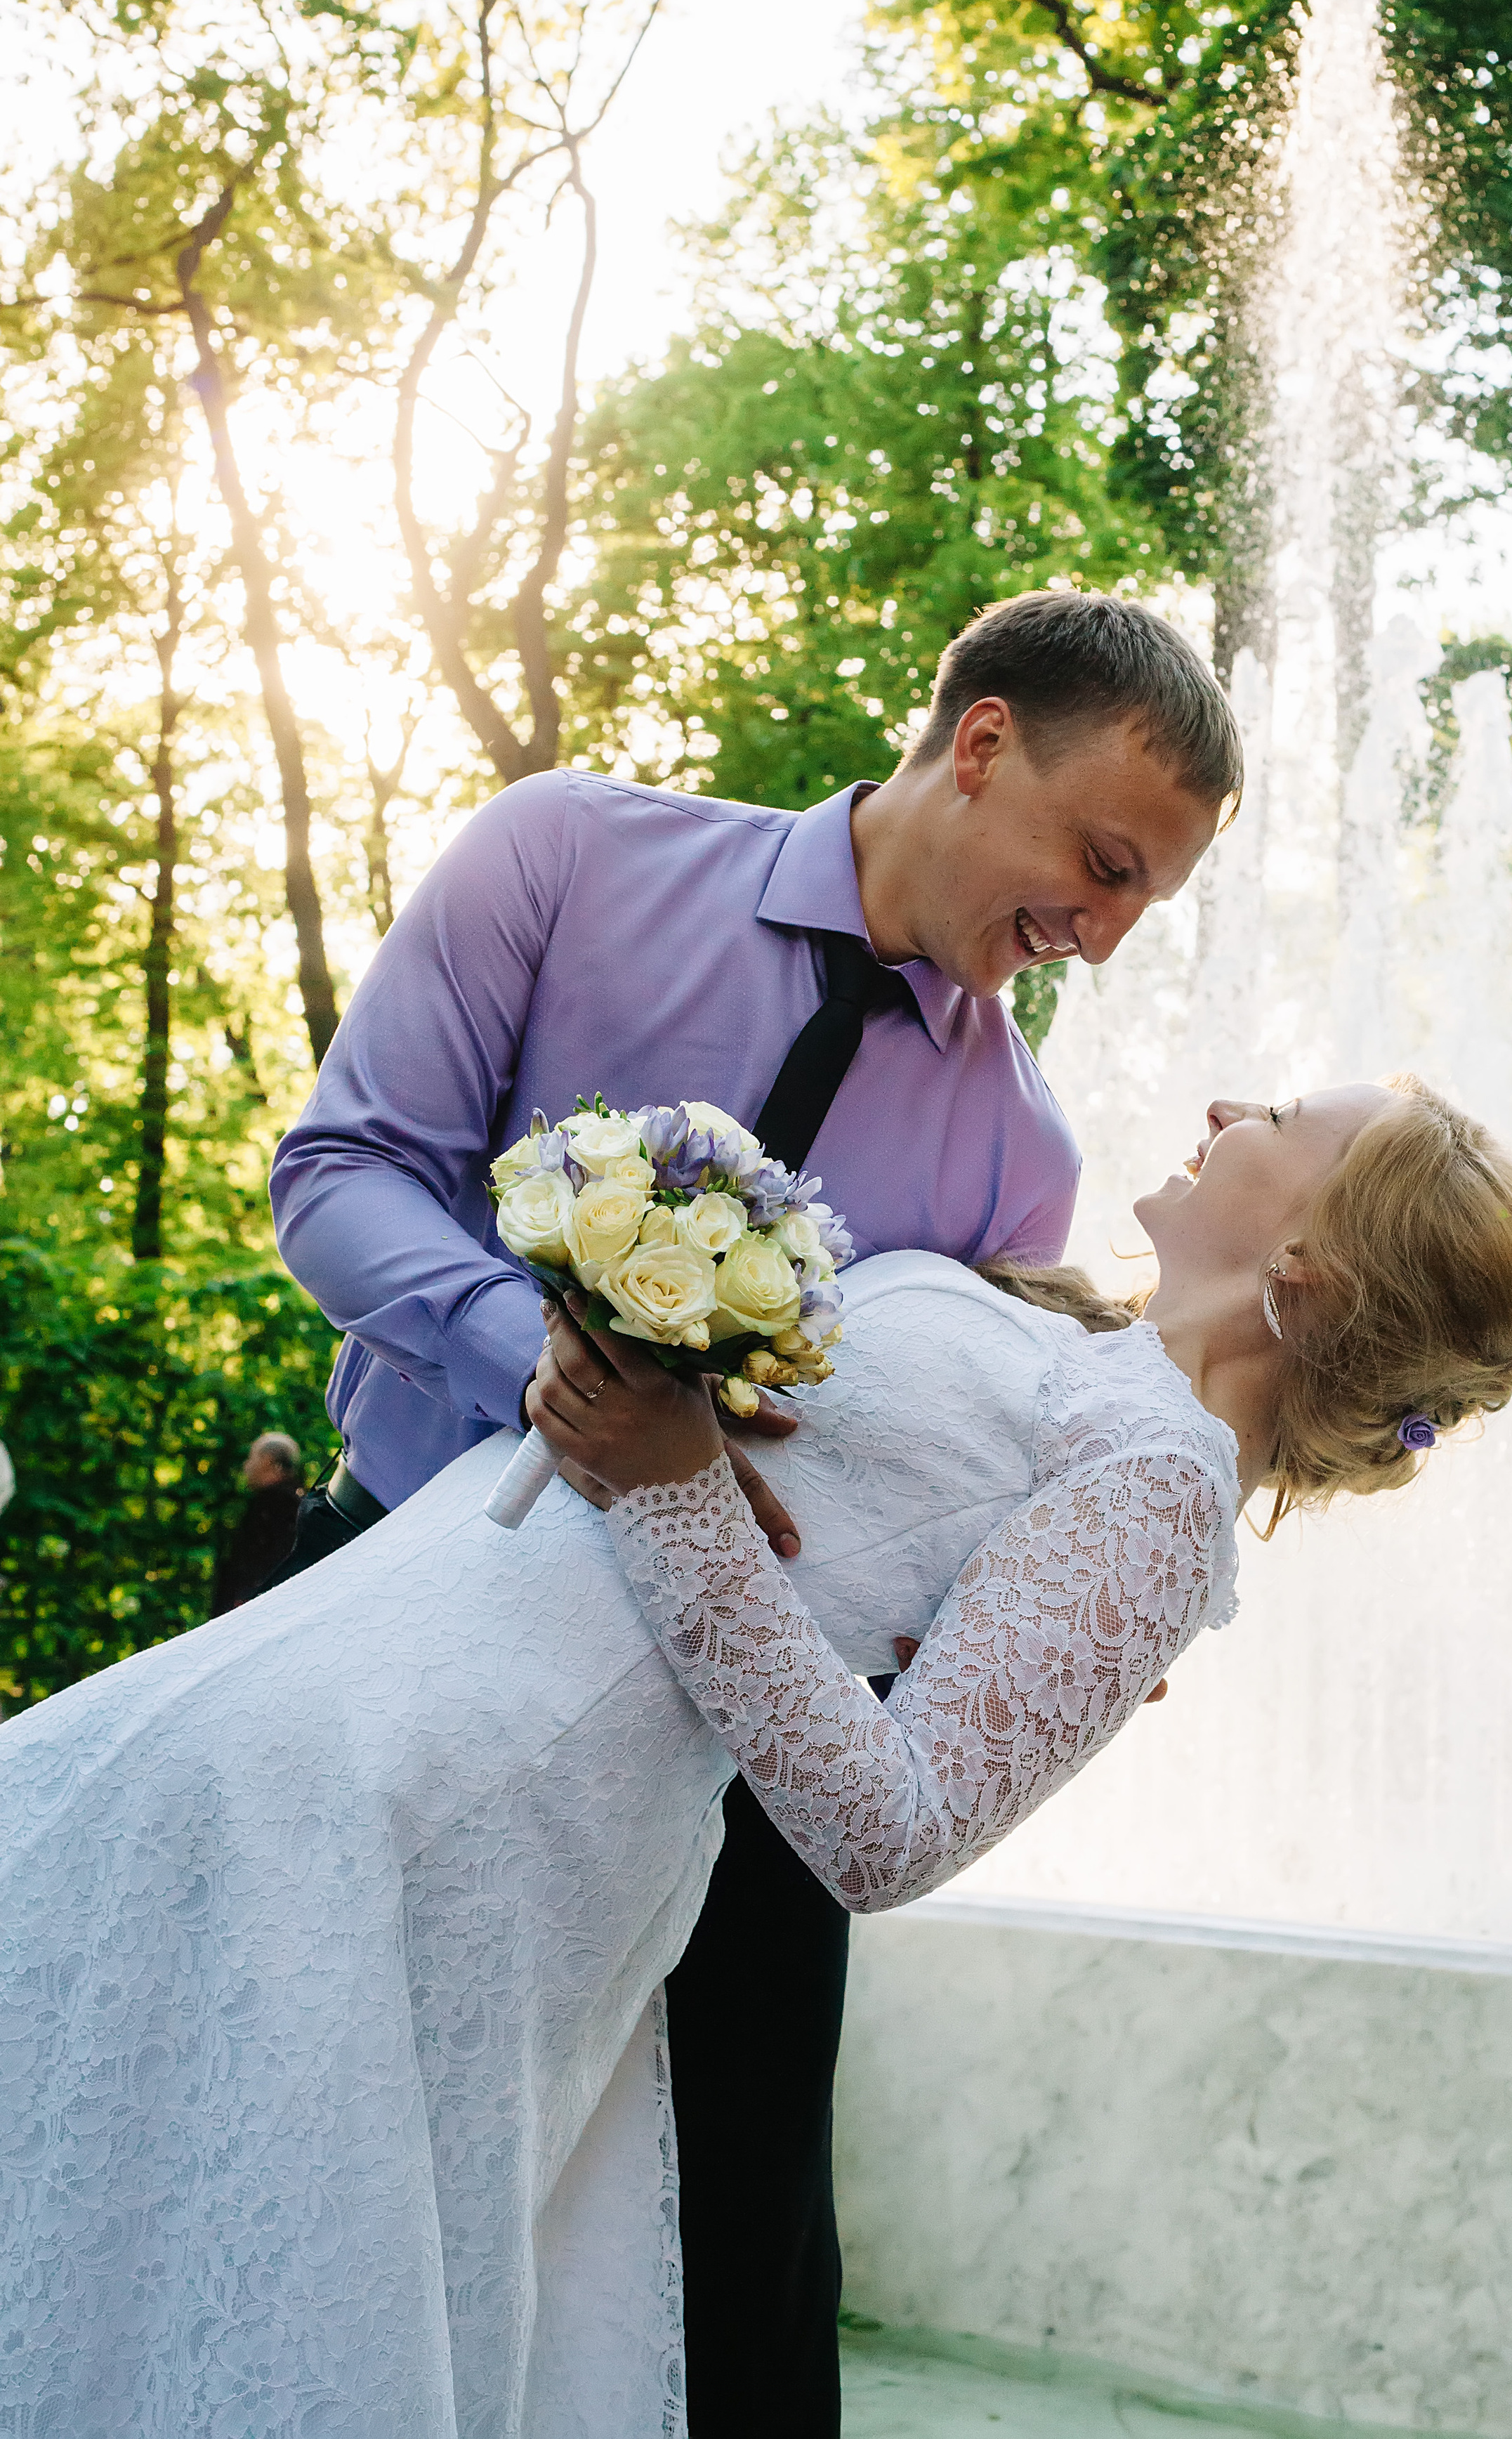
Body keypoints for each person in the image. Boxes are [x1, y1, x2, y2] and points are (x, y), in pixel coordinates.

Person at [0, 1073, 1512, 2437]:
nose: (1230, 1106)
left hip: (470, 1782)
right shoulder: (1095, 1362)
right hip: (379, 1661)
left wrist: (676, 1480)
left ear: (1310, 1256)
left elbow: (888, 1832)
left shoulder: (1161, 1482)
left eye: (1283, 1119)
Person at [263, 588, 1239, 2433]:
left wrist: (1059, 1613)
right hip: (388, 1629)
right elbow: (343, 1171)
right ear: (977, 745)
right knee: (353, 2170)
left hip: (736, 1750)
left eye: (1142, 906)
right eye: (1102, 865)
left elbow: (963, 1479)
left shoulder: (1019, 1147)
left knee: (752, 2261)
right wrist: (542, 1350)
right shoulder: (564, 855)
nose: (1101, 937)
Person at [209, 1432, 305, 1616]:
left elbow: (264, 1562)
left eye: (251, 1458)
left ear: (268, 1461)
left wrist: (241, 1601)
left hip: (255, 1612)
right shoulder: (301, 1503)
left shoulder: (274, 1505)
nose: (246, 1466)